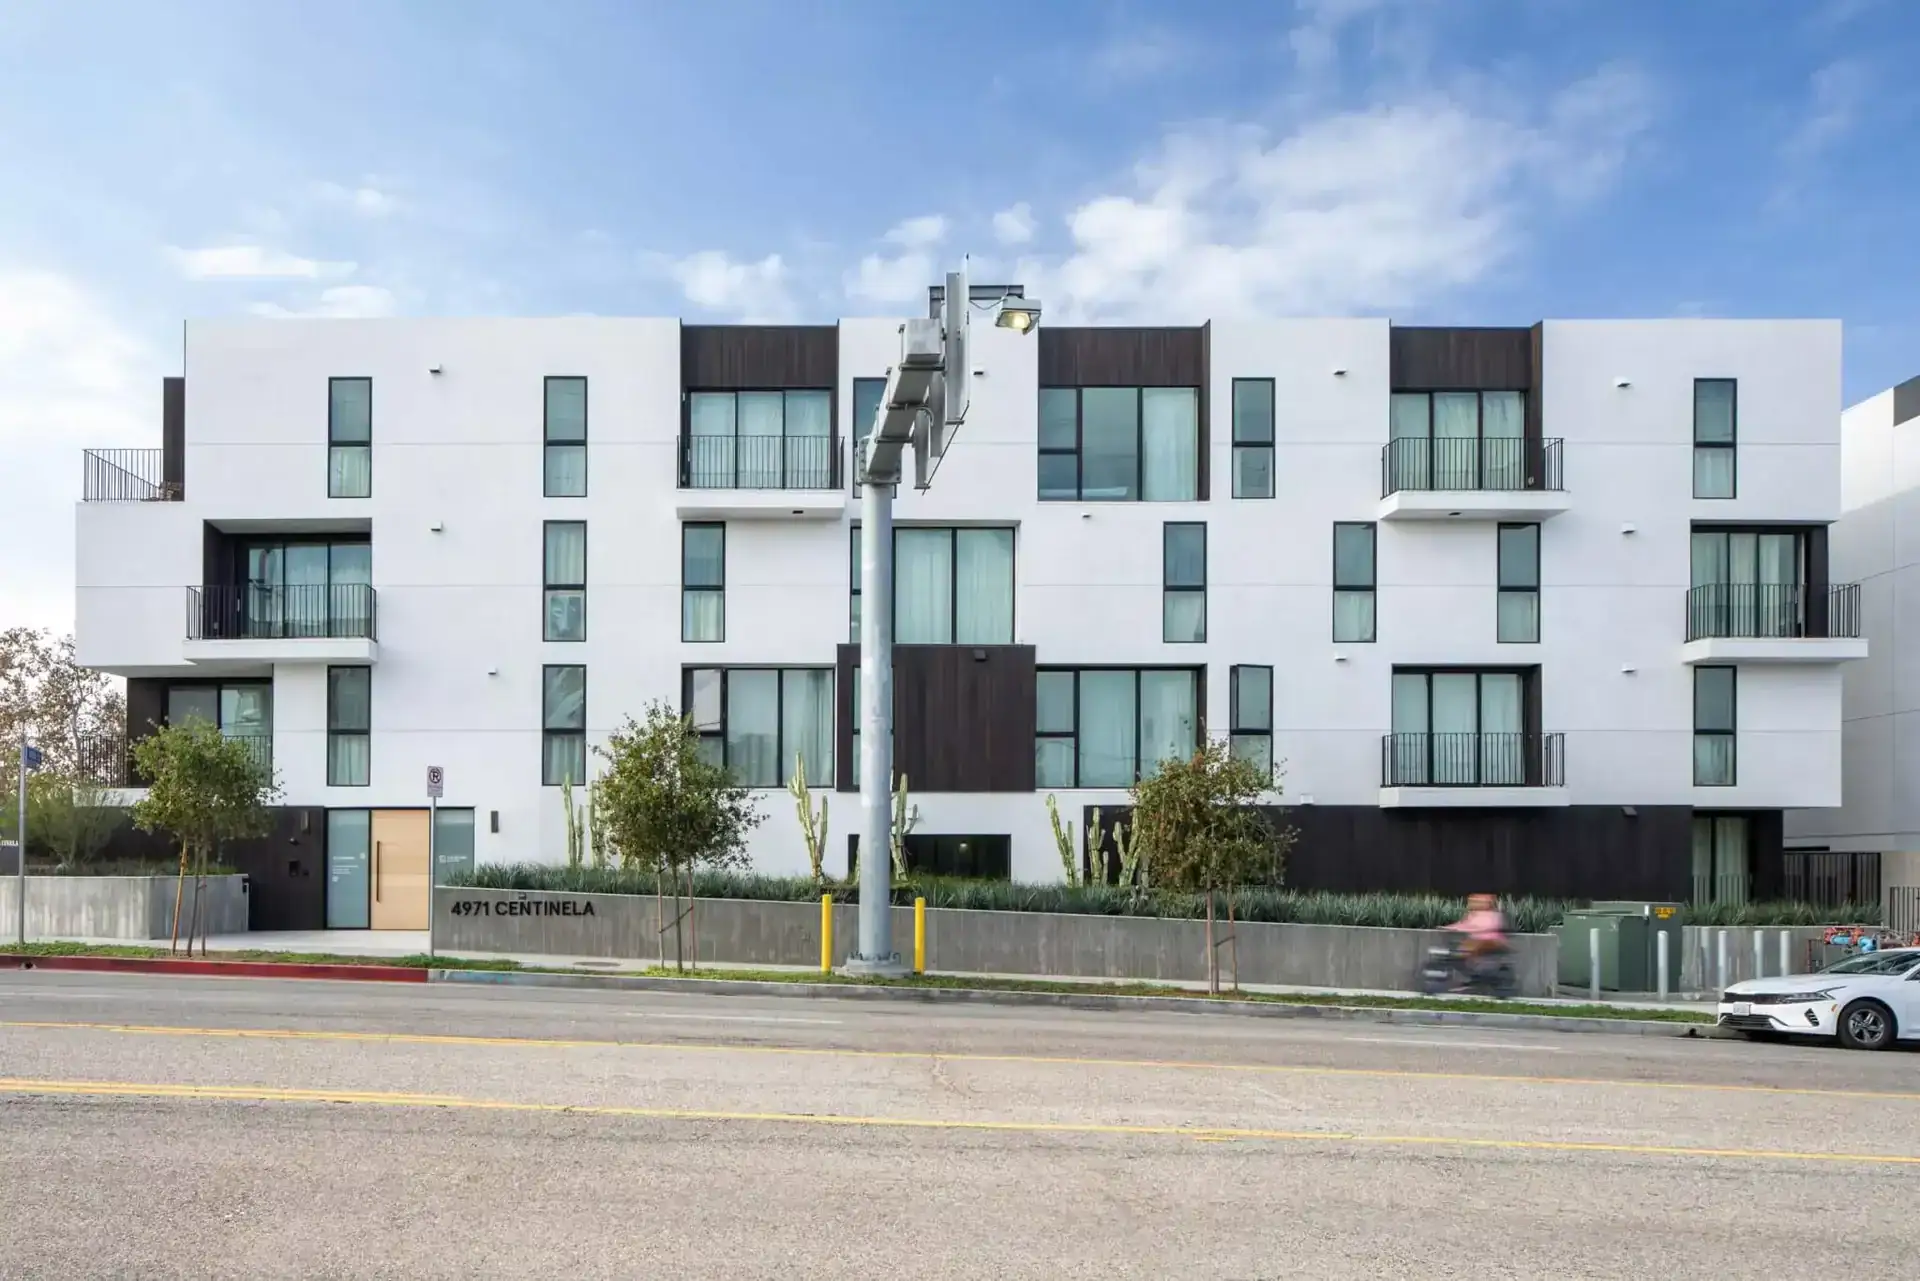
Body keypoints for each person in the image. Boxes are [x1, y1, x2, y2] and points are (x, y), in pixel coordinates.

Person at [1448, 893, 1508, 965]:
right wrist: (1450, 927)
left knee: (1474, 944)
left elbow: (1487, 927)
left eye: (1478, 902)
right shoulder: (1472, 915)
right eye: (1473, 902)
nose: (1474, 904)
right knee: (1466, 946)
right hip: (1476, 940)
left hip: (1491, 941)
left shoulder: (1494, 915)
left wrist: (1473, 929)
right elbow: (1463, 925)